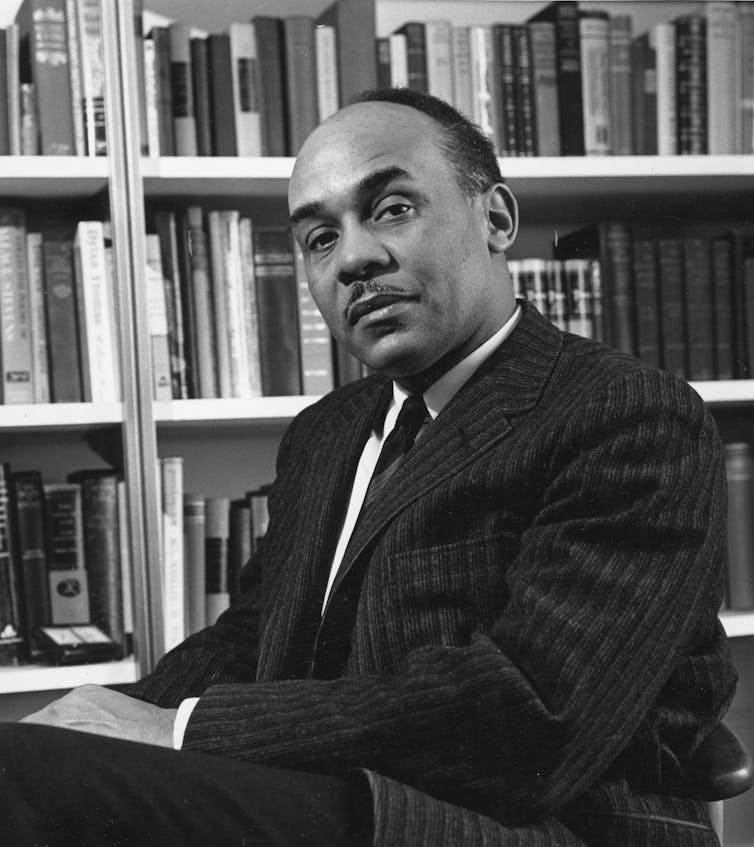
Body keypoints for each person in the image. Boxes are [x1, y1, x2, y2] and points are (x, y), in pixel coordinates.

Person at [5, 88, 736, 846]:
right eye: (320, 238)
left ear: (496, 219)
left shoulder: (629, 413)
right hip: (333, 795)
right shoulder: (326, 433)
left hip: (543, 824)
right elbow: (252, 634)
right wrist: (98, 718)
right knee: (32, 762)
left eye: (391, 208)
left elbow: (533, 716)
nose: (354, 257)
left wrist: (178, 727)